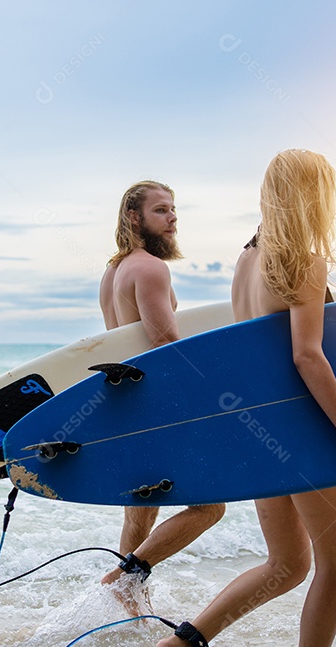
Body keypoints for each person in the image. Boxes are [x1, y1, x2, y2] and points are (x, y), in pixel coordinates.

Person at [154, 150, 336, 647]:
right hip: (304, 432)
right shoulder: (303, 261)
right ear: (315, 197)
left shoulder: (248, 259)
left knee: (287, 565)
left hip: (262, 432)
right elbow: (307, 355)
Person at [97, 180, 226, 604]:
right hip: (159, 406)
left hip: (129, 409)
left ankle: (131, 610)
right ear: (134, 217)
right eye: (162, 211)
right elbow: (167, 348)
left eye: (174, 211)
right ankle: (125, 576)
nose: (172, 219)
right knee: (211, 508)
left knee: (141, 514)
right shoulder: (151, 268)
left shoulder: (112, 273)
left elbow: (119, 343)